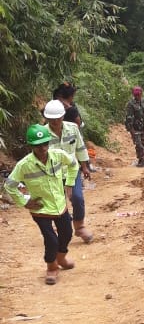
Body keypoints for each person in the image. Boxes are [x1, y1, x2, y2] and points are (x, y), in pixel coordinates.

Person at [3, 124, 78, 284]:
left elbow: (73, 164)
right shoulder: (24, 165)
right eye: (38, 145)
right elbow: (9, 185)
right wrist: (24, 201)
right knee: (51, 240)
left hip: (60, 204)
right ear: (31, 146)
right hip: (40, 209)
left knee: (67, 233)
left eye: (45, 144)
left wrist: (70, 183)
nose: (43, 148)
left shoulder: (58, 155)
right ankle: (52, 267)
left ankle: (61, 258)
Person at [43, 99, 93, 243]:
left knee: (77, 198)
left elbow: (80, 147)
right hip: (53, 174)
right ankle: (60, 230)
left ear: (63, 116)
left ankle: (79, 226)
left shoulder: (72, 129)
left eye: (58, 118)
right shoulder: (43, 134)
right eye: (52, 119)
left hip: (72, 170)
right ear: (47, 118)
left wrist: (85, 167)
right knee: (57, 203)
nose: (55, 121)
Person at [125, 86, 144, 167]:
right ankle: (140, 160)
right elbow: (129, 118)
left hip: (143, 128)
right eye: (136, 95)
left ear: (141, 94)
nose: (138, 96)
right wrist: (131, 131)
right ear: (133, 95)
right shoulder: (130, 104)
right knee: (139, 146)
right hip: (135, 129)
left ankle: (142, 159)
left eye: (139, 94)